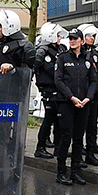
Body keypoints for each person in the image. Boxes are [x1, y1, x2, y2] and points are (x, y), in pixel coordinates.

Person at [53, 29, 97, 185]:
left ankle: (76, 171)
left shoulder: (88, 58)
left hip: (83, 104)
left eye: (75, 38)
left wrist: (87, 98)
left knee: (79, 138)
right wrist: (71, 97)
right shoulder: (62, 58)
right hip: (66, 103)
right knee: (66, 137)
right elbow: (58, 80)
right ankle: (61, 172)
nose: (72, 41)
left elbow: (93, 81)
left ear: (81, 41)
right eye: (70, 38)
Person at [34, 22, 68, 159]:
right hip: (49, 90)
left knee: (59, 121)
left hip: (59, 90)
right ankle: (40, 147)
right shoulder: (43, 51)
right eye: (58, 36)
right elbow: (48, 70)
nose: (60, 38)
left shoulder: (60, 49)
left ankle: (58, 148)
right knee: (48, 120)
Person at [79, 23, 98, 166]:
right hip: (82, 94)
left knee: (92, 125)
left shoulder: (96, 52)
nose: (92, 38)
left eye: (93, 36)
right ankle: (78, 155)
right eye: (89, 36)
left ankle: (90, 152)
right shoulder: (80, 52)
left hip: (95, 94)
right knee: (80, 125)